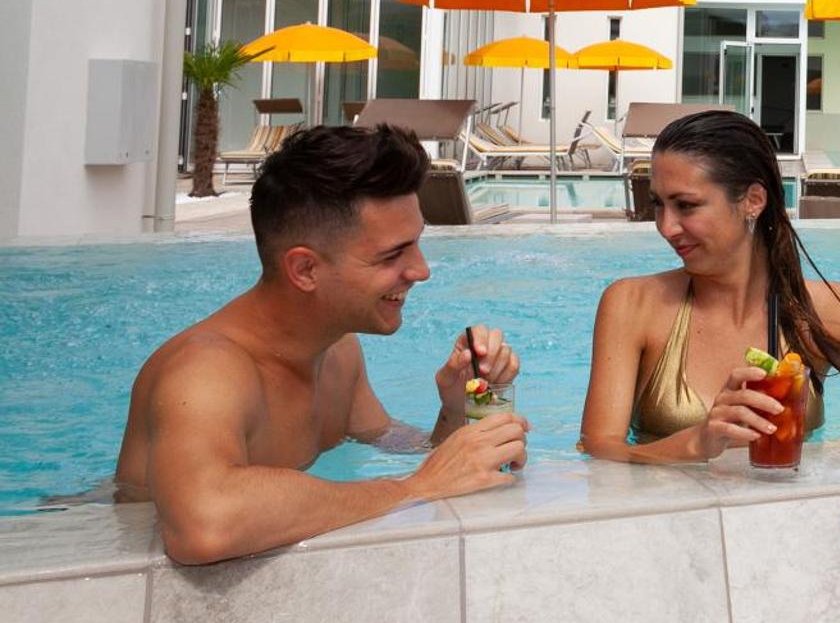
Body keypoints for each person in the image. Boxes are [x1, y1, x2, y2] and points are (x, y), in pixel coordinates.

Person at [115, 125, 530, 565]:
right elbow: (204, 526)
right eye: (393, 255)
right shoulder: (205, 372)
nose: (421, 270)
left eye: (417, 244)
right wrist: (414, 489)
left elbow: (404, 449)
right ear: (305, 270)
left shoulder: (337, 350)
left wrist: (455, 409)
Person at [579, 110, 840, 560]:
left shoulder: (823, 310)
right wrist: (695, 443)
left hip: (790, 543)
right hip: (662, 545)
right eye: (658, 204)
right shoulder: (632, 305)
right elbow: (598, 448)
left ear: (753, 200)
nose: (666, 226)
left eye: (686, 205)